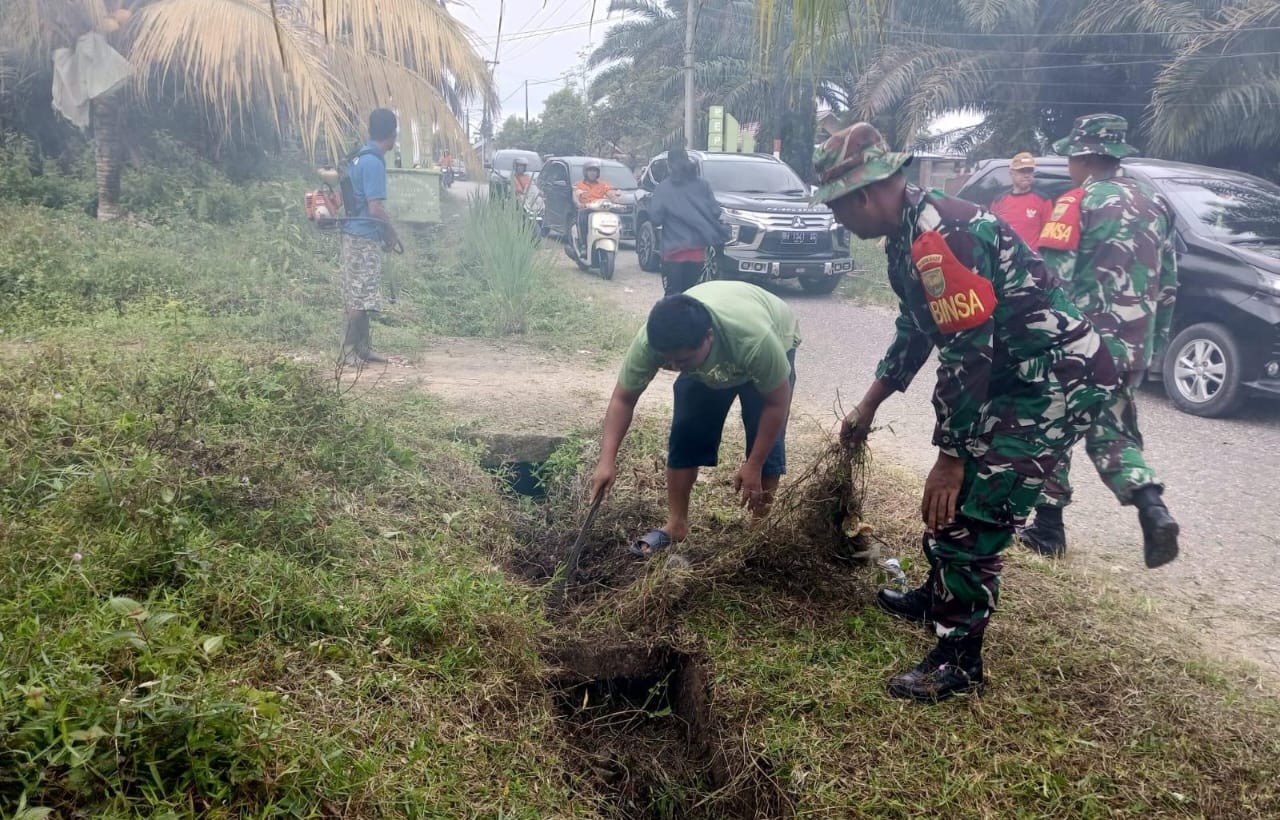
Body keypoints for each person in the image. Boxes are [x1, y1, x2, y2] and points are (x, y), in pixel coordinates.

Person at [813, 122, 1120, 702]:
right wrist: (867, 406)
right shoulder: (907, 235)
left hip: (1052, 379)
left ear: (864, 195)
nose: (837, 220)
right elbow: (915, 329)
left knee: (974, 510)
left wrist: (951, 457)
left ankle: (959, 659)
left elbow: (966, 353)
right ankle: (939, 596)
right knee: (955, 504)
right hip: (1011, 373)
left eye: (836, 207)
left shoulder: (944, 234)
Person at [1020, 114, 1180, 567]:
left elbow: (1050, 280)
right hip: (1132, 346)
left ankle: (1048, 528)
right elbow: (1169, 284)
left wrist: (1034, 340)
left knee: (1052, 426)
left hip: (1081, 344)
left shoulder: (1076, 202)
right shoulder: (1155, 202)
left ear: (1086, 157)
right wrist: (1153, 346)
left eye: (1071, 157)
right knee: (1112, 429)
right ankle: (1152, 505)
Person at [590, 281, 800, 557]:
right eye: (669, 361)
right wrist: (606, 460)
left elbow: (776, 404)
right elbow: (623, 399)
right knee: (686, 431)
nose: (676, 367)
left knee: (765, 439)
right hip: (715, 348)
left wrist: (754, 463)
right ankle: (676, 524)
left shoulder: (755, 341)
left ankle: (758, 531)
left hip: (769, 332)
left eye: (683, 361)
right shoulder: (652, 342)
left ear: (708, 337)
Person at [340, 108, 400, 364]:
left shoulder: (359, 156)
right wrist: (391, 231)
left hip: (355, 233)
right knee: (359, 295)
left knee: (363, 294)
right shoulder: (373, 162)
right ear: (392, 134)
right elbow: (375, 208)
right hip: (363, 236)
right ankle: (349, 351)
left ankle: (362, 349)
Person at [649, 149, 730, 296]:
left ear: (669, 165)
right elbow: (715, 211)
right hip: (697, 252)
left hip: (673, 252)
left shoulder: (663, 187)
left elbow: (655, 219)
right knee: (690, 294)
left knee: (672, 296)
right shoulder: (703, 185)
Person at [989, 152, 1052, 249]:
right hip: (1005, 256)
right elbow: (991, 233)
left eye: (1029, 171)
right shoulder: (999, 201)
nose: (1026, 175)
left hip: (1031, 257)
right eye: (1022, 171)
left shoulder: (1043, 200)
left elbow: (1048, 236)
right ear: (1011, 173)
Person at [573, 159, 618, 246]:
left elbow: (611, 194)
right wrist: (578, 204)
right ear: (585, 172)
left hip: (601, 210)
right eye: (590, 170)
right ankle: (583, 244)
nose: (592, 173)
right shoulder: (579, 184)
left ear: (598, 173)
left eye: (595, 171)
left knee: (614, 219)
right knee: (582, 218)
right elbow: (575, 196)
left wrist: (616, 199)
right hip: (586, 210)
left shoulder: (603, 184)